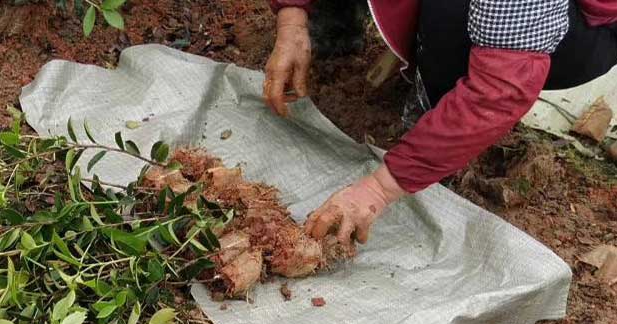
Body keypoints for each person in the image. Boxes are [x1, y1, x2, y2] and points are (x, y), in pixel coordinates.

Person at [264, 0, 617, 246]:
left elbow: (498, 91)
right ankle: (339, 28)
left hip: (578, 28)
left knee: (448, 14)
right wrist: (292, 18)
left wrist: (378, 189)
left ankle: (439, 108)